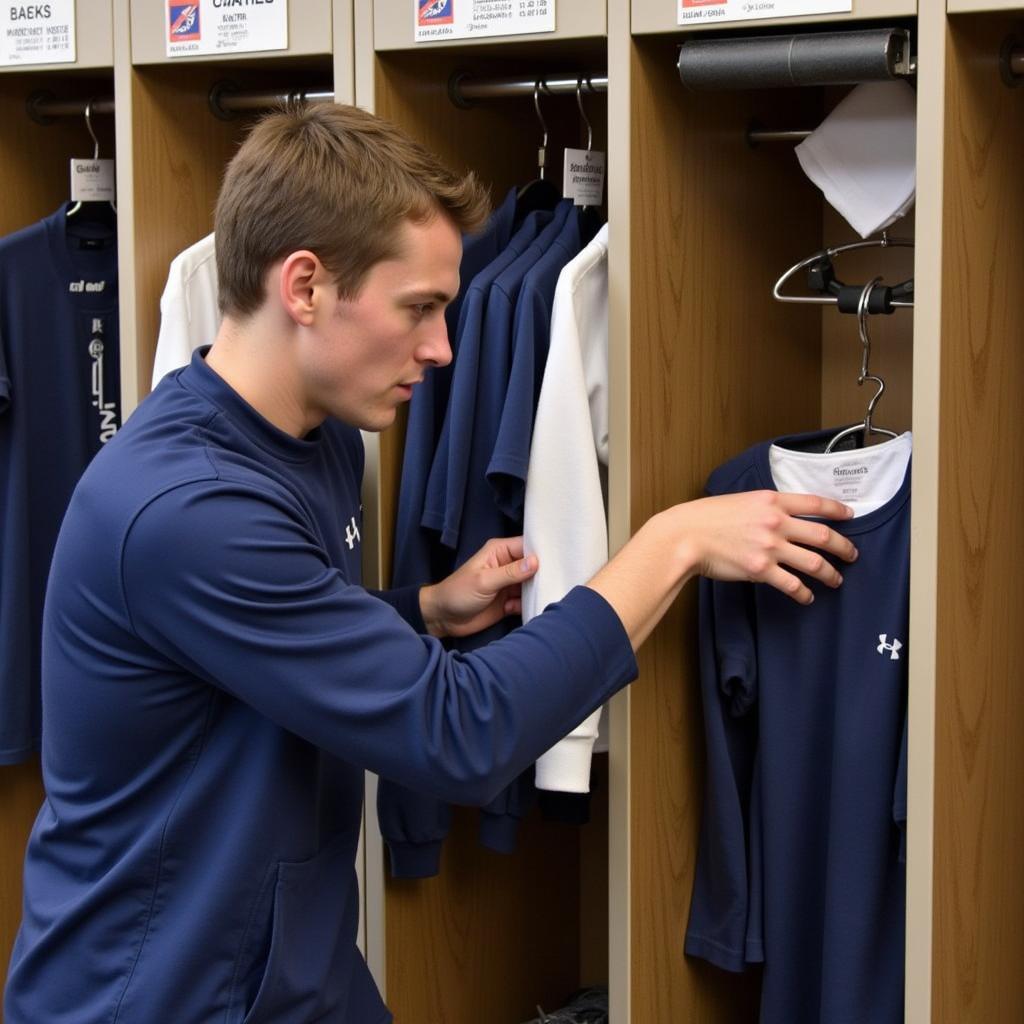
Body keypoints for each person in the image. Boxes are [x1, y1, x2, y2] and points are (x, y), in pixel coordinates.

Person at [3, 103, 857, 1024]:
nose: (443, 348)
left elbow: (261, 641)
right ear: (305, 287)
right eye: (420, 309)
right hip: (152, 995)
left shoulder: (308, 434)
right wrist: (670, 543)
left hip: (281, 965)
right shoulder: (186, 508)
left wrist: (421, 611)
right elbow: (456, 735)